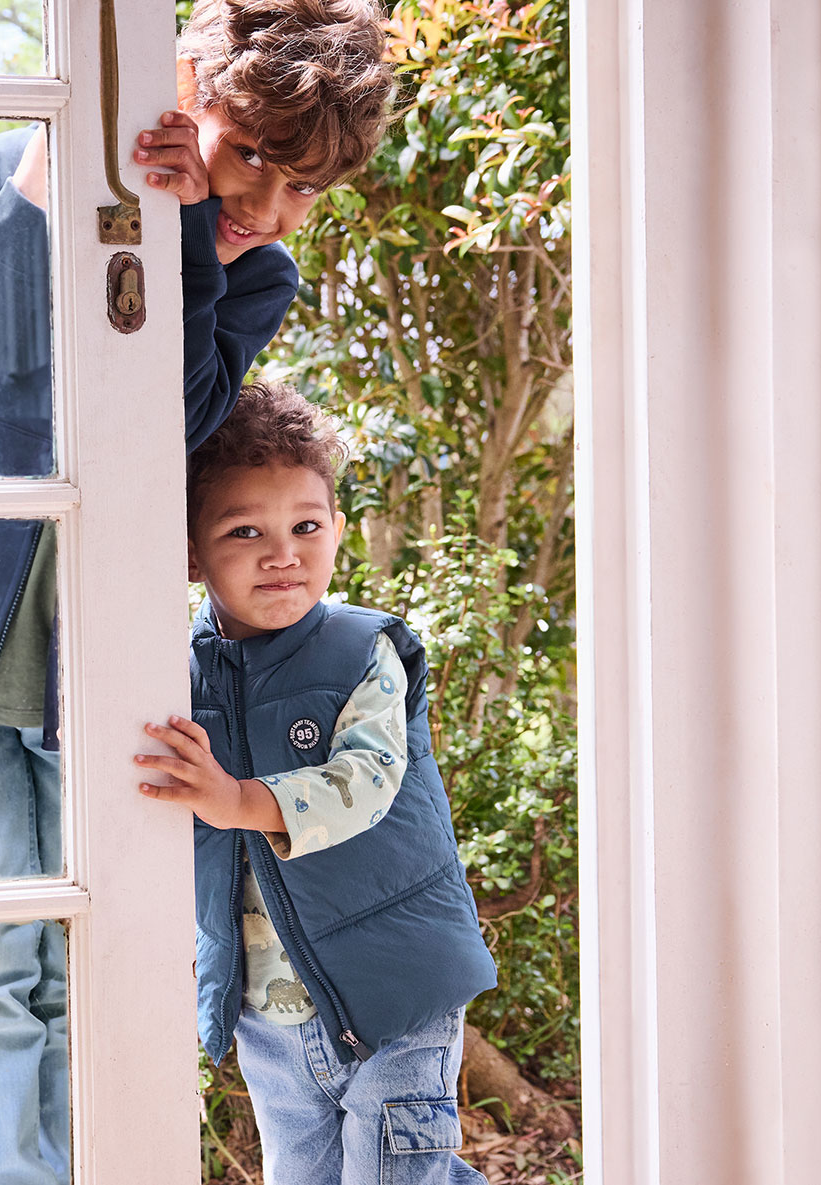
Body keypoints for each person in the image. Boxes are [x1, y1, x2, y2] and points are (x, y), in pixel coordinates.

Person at [0, 4, 394, 1181]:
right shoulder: (17, 172)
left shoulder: (255, 270)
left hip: (108, 658)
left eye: (304, 190)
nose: (269, 207)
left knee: (105, 950)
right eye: (248, 154)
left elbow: (173, 427)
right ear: (191, 87)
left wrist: (194, 230)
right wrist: (47, 186)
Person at [134, 381, 497, 1184]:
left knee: (401, 1171)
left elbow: (365, 780)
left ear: (336, 528)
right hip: (270, 1012)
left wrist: (235, 800)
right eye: (244, 531)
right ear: (191, 552)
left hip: (397, 987)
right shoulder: (166, 673)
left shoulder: (362, 651)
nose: (282, 553)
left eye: (305, 526)